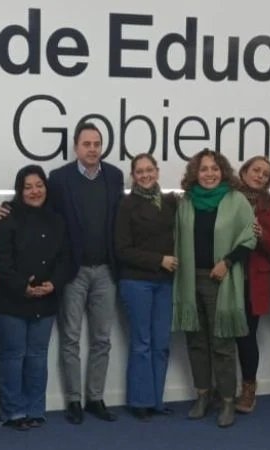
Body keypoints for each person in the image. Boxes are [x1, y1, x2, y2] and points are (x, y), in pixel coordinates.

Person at [173, 149, 256, 428]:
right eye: (204, 169)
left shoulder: (236, 200)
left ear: (223, 171)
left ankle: (227, 400)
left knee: (222, 344)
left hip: (221, 280)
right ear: (195, 173)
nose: (209, 174)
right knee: (196, 342)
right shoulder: (186, 202)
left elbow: (250, 237)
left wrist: (227, 262)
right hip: (189, 280)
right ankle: (202, 395)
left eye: (214, 168)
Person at [49, 122, 124, 424]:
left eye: (97, 144)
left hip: (105, 269)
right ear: (76, 147)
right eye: (86, 144)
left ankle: (95, 398)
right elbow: (44, 214)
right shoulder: (59, 178)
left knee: (102, 339)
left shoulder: (114, 176)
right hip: (73, 271)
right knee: (70, 338)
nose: (92, 149)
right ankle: (73, 400)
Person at [0, 165, 70, 431]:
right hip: (10, 300)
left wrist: (53, 284)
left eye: (39, 185)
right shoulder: (6, 216)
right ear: (19, 190)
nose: (35, 191)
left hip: (45, 299)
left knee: (37, 355)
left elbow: (65, 259)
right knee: (13, 355)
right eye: (28, 187)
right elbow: (0, 262)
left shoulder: (57, 219)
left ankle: (36, 410)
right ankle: (12, 412)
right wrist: (22, 287)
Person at [114, 154, 178, 421]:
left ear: (157, 171)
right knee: (142, 343)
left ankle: (157, 401)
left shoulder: (170, 202)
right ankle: (140, 401)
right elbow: (122, 249)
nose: (145, 175)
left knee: (161, 344)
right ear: (133, 176)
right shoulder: (126, 205)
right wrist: (159, 260)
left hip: (165, 282)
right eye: (139, 171)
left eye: (149, 170)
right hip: (136, 281)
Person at [234, 156, 270, 413]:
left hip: (252, 282)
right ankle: (222, 388)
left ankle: (248, 389)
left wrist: (261, 234)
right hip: (226, 276)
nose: (260, 176)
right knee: (221, 336)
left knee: (246, 337)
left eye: (265, 174)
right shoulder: (227, 198)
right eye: (256, 170)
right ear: (244, 172)